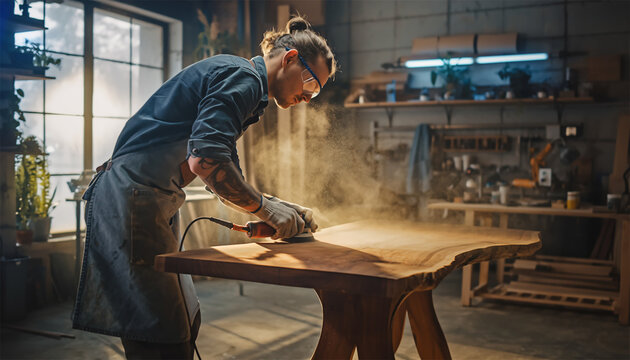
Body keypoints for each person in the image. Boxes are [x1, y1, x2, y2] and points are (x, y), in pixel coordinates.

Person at [72, 16, 337, 359]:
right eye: (310, 84)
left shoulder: (248, 88)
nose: (307, 96)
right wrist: (266, 209)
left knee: (183, 319)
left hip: (149, 199)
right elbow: (205, 159)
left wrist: (274, 205)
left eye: (315, 92)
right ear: (288, 59)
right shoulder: (243, 77)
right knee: (158, 334)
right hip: (134, 198)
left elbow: (224, 167)